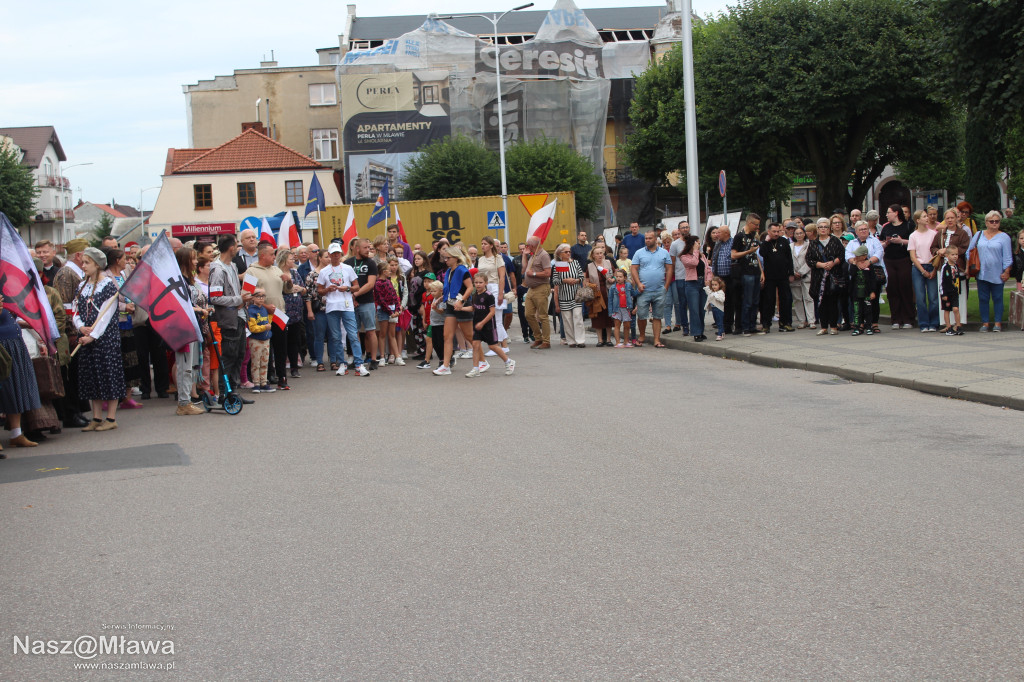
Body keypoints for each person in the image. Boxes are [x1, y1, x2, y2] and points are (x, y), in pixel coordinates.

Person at [72, 247, 126, 431]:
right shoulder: (82, 286)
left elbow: (106, 315)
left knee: (108, 375)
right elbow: (75, 310)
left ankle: (110, 418)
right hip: (86, 336)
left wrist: (93, 336)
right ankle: (96, 417)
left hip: (105, 339)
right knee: (92, 377)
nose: (83, 266)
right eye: (83, 262)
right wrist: (80, 327)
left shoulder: (108, 286)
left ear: (97, 264)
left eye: (87, 262)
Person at [317, 242, 367, 377]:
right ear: (329, 254)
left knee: (353, 335)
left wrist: (348, 288)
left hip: (347, 306)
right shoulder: (324, 271)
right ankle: (342, 364)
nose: (336, 256)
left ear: (340, 254)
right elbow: (319, 290)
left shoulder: (348, 268)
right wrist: (327, 289)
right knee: (336, 337)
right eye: (333, 253)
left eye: (338, 253)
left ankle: (359, 364)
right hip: (332, 306)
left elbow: (356, 286)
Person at [247, 243, 291, 389]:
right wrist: (265, 306)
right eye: (272, 254)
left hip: (279, 313)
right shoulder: (252, 271)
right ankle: (265, 378)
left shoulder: (276, 269)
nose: (274, 257)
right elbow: (247, 294)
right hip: (262, 315)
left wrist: (289, 280)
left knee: (281, 347)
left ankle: (282, 377)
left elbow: (287, 290)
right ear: (262, 255)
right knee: (264, 347)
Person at [210, 234, 249, 397]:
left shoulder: (232, 266)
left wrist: (244, 298)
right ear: (231, 248)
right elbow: (215, 298)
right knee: (229, 356)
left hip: (240, 316)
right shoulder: (217, 269)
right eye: (236, 245)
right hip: (228, 319)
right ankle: (224, 394)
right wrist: (239, 299)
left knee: (239, 355)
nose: (238, 248)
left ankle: (234, 392)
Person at [0, 303, 43, 450]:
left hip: (14, 344)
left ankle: (16, 434)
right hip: (3, 346)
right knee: (3, 391)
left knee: (15, 390)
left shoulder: (6, 295)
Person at [173, 247, 210, 415]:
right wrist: (198, 309)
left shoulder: (189, 280)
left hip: (193, 326)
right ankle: (183, 403)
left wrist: (202, 309)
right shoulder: (178, 280)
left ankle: (186, 399)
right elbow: (181, 305)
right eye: (193, 258)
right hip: (183, 328)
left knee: (191, 366)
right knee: (184, 366)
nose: (196, 262)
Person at [966, 210, 1014, 331]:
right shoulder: (979, 234)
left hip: (997, 273)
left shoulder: (1004, 237)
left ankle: (998, 323)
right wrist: (970, 266)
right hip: (981, 273)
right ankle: (985, 323)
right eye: (991, 221)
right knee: (983, 299)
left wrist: (1007, 271)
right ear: (986, 222)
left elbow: (1008, 257)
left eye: (997, 221)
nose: (994, 223)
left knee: (998, 298)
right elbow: (969, 252)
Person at [463, 273, 515, 377]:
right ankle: (475, 369)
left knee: (492, 346)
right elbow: (473, 308)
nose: (478, 284)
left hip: (488, 325)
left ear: (486, 283)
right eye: (476, 282)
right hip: (477, 325)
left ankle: (509, 362)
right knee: (475, 345)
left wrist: (482, 323)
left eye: (480, 282)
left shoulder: (489, 296)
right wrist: (461, 308)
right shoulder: (475, 295)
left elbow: (492, 312)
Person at [434, 245, 474, 375]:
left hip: (462, 305)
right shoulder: (449, 271)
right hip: (451, 306)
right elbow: (450, 289)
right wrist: (442, 298)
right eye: (445, 258)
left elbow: (470, 287)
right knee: (447, 336)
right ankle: (446, 366)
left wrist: (461, 301)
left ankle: (482, 361)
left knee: (469, 336)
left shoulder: (462, 270)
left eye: (448, 258)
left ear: (456, 258)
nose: (445, 260)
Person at [631, 231, 673, 347]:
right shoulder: (639, 253)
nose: (647, 240)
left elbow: (669, 269)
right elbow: (633, 268)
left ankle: (657, 340)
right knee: (641, 315)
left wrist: (666, 286)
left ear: (655, 239)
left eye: (650, 238)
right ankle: (642, 336)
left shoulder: (664, 253)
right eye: (646, 238)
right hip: (643, 290)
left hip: (659, 289)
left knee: (657, 316)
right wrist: (638, 283)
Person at [844, 220, 885, 334]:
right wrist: (856, 262)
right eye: (861, 229)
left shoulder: (874, 241)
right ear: (856, 231)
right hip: (857, 276)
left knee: (873, 299)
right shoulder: (852, 243)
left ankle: (874, 323)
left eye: (865, 229)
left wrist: (868, 262)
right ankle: (860, 324)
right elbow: (848, 255)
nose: (863, 231)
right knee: (858, 301)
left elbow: (879, 253)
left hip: (872, 273)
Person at [807, 218, 846, 336]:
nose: (823, 229)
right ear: (817, 229)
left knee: (833, 302)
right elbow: (809, 259)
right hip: (818, 277)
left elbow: (842, 255)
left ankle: (833, 326)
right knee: (821, 302)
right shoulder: (813, 243)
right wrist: (821, 265)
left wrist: (833, 263)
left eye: (825, 227)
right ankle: (823, 327)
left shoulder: (835, 241)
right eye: (821, 227)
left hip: (833, 276)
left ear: (829, 229)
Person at [879, 204, 915, 329]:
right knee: (892, 289)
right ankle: (895, 318)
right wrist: (887, 243)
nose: (887, 215)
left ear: (896, 213)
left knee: (905, 288)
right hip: (889, 260)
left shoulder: (908, 226)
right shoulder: (886, 227)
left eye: (889, 212)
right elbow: (880, 243)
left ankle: (908, 318)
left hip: (904, 259)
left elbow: (914, 242)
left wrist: (901, 241)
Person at [345, 238, 380, 369]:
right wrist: (352, 298)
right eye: (365, 248)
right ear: (357, 248)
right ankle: (357, 359)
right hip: (351, 303)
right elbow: (345, 283)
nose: (368, 250)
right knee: (354, 332)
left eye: (369, 248)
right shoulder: (348, 263)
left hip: (367, 302)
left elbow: (370, 284)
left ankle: (373, 359)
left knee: (371, 331)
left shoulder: (371, 263)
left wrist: (355, 294)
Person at [476, 236, 511, 354]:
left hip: (495, 287)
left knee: (496, 319)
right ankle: (503, 345)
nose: (483, 246)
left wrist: (500, 293)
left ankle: (497, 345)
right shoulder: (481, 259)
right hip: (484, 288)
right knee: (491, 318)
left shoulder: (498, 258)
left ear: (491, 245)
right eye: (482, 243)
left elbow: (502, 277)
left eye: (485, 244)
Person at [759, 223, 795, 333]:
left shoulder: (783, 241)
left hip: (783, 275)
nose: (776, 233)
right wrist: (766, 241)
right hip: (770, 276)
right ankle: (766, 324)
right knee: (769, 300)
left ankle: (785, 323)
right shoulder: (766, 243)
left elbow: (789, 258)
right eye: (774, 231)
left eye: (778, 231)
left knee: (786, 299)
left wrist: (791, 273)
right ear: (769, 232)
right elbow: (762, 253)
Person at [731, 213, 763, 336]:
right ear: (749, 223)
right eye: (756, 225)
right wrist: (749, 251)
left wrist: (761, 271)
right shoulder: (739, 236)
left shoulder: (754, 235)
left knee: (755, 301)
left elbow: (756, 255)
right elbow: (733, 255)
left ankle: (752, 325)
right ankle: (745, 327)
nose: (757, 227)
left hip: (755, 271)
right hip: (745, 272)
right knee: (747, 301)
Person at [908, 210, 940, 332]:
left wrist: (934, 269)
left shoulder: (933, 234)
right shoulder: (913, 236)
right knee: (920, 297)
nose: (927, 218)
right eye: (924, 216)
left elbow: (936, 253)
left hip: (931, 265)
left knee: (933, 297)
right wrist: (922, 271)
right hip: (918, 267)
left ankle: (934, 323)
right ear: (918, 220)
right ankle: (923, 323)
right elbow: (913, 256)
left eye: (927, 216)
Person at [276, 248, 305, 378]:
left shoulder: (295, 272)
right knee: (282, 341)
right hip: (282, 311)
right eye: (291, 258)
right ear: (284, 260)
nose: (293, 260)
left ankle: (294, 367)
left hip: (296, 311)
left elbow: (304, 289)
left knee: (295, 340)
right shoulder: (277, 273)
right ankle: (281, 369)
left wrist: (300, 289)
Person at [677, 235, 712, 341]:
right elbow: (694, 263)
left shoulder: (702, 256)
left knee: (702, 309)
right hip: (692, 284)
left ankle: (701, 331)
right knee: (694, 309)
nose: (699, 245)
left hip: (702, 283)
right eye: (697, 243)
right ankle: (696, 333)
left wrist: (708, 279)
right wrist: (696, 251)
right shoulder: (684, 256)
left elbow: (708, 269)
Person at [552, 244, 587, 347]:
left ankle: (580, 340)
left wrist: (576, 280)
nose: (568, 253)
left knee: (578, 318)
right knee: (567, 320)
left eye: (569, 252)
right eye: (566, 252)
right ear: (560, 254)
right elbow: (555, 281)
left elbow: (581, 276)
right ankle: (571, 340)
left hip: (576, 295)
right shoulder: (559, 265)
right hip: (564, 296)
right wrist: (564, 280)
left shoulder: (575, 263)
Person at [374, 258, 405, 366]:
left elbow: (394, 296)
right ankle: (382, 357)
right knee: (382, 334)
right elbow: (380, 300)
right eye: (388, 269)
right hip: (384, 310)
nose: (391, 270)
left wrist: (397, 309)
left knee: (392, 334)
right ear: (384, 272)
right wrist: (389, 312)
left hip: (392, 310)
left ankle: (397, 356)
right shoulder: (378, 283)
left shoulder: (389, 281)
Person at [522, 237, 552, 349]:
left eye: (527, 245)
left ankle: (546, 341)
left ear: (532, 246)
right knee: (528, 314)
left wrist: (534, 274)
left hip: (541, 287)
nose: (526, 247)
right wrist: (524, 255)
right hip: (531, 288)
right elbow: (524, 268)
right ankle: (538, 337)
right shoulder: (533, 255)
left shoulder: (544, 255)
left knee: (542, 316)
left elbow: (548, 273)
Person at [305, 248, 331, 371]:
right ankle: (319, 361)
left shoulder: (333, 272)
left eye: (330, 256)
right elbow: (308, 295)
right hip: (319, 309)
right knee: (319, 336)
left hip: (332, 308)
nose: (329, 259)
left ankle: (334, 360)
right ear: (319, 258)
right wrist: (310, 311)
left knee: (333, 336)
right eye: (326, 257)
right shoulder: (312, 274)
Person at [586, 243, 615, 346]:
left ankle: (608, 339)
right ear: (593, 255)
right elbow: (586, 281)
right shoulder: (590, 266)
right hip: (597, 294)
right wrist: (590, 285)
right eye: (597, 253)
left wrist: (613, 279)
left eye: (601, 253)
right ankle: (600, 340)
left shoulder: (608, 263)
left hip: (608, 292)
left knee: (608, 316)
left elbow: (616, 274)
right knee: (598, 317)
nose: (599, 255)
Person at [246, 290, 274, 392]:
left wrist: (271, 316)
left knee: (264, 362)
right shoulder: (251, 311)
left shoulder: (264, 309)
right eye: (258, 296)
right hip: (256, 340)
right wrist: (264, 327)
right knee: (256, 363)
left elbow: (268, 322)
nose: (261, 298)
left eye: (263, 296)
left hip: (266, 339)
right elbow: (252, 328)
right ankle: (256, 383)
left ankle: (264, 383)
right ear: (253, 298)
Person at [848, 246, 878, 335]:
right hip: (856, 293)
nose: (856, 257)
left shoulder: (869, 266)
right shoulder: (854, 265)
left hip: (866, 293)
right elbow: (851, 274)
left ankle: (869, 327)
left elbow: (873, 279)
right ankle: (857, 328)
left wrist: (872, 291)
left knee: (868, 311)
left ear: (864, 256)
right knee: (857, 311)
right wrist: (854, 264)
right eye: (856, 255)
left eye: (858, 256)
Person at [668, 226, 692, 336]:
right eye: (683, 228)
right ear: (679, 230)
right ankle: (685, 326)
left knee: (693, 303)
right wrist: (673, 273)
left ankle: (695, 325)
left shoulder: (693, 240)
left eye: (687, 227)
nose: (685, 229)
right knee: (682, 302)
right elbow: (672, 261)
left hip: (693, 276)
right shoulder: (675, 244)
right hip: (680, 276)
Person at [789, 225, 814, 328]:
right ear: (794, 235)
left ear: (804, 234)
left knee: (808, 298)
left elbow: (811, 260)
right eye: (797, 233)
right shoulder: (790, 246)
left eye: (801, 233)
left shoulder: (809, 245)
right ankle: (802, 321)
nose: (799, 235)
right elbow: (788, 260)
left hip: (806, 275)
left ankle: (811, 321)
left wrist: (802, 272)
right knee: (797, 299)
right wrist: (793, 272)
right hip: (794, 276)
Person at [607, 269, 637, 347]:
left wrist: (640, 290)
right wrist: (610, 312)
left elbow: (634, 294)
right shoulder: (612, 288)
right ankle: (617, 342)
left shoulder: (628, 286)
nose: (618, 278)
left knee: (627, 326)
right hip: (616, 309)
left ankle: (626, 342)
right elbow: (610, 300)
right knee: (617, 325)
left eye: (620, 277)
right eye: (617, 276)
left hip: (626, 308)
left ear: (625, 277)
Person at [938, 245, 963, 335]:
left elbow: (957, 278)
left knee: (956, 309)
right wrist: (943, 294)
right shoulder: (945, 267)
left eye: (956, 254)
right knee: (947, 309)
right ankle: (948, 327)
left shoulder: (956, 266)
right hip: (947, 293)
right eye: (952, 254)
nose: (955, 256)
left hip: (954, 292)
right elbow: (942, 281)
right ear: (947, 256)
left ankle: (958, 326)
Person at [705, 276, 727, 341]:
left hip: (719, 309)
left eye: (715, 285)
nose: (714, 286)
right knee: (717, 322)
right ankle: (722, 332)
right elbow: (708, 292)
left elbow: (722, 299)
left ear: (719, 285)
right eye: (713, 285)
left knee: (720, 322)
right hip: (714, 309)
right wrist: (707, 286)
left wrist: (716, 295)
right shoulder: (712, 292)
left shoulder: (721, 292)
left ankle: (720, 334)